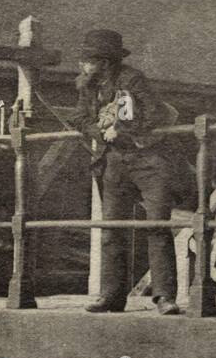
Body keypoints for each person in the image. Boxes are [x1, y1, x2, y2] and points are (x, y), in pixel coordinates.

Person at [55, 29, 182, 315]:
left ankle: (164, 297)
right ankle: (111, 296)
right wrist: (99, 132)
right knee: (112, 230)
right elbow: (78, 117)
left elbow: (153, 114)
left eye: (87, 60)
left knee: (157, 227)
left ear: (104, 62)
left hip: (149, 161)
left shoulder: (132, 79)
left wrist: (121, 128)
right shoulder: (88, 86)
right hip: (113, 163)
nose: (82, 65)